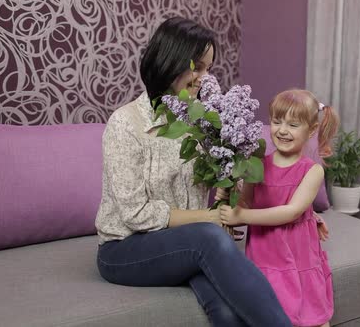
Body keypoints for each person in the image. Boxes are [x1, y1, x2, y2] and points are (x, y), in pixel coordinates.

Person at [95, 17, 292, 327]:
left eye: (209, 68)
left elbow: (216, 187)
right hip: (124, 250)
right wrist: (209, 221)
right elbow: (135, 214)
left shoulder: (200, 123)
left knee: (228, 312)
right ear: (170, 60)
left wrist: (228, 201)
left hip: (187, 245)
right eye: (198, 66)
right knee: (209, 238)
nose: (204, 77)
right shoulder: (125, 123)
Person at [219, 89, 340, 327]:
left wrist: (242, 215)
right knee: (270, 312)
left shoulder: (312, 170)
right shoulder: (256, 165)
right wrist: (230, 201)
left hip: (297, 252)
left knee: (311, 315)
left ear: (311, 130)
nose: (282, 130)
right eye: (276, 122)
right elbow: (246, 202)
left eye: (293, 125)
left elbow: (292, 211)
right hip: (265, 252)